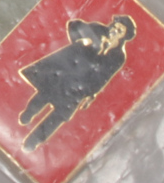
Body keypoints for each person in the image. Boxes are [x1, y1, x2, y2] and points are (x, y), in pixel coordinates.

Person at [17, 15, 136, 150]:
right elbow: (74, 25)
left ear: (124, 36)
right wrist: (82, 39)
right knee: (43, 96)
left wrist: (91, 95)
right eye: (115, 26)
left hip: (81, 87)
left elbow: (104, 77)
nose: (114, 30)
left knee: (59, 116)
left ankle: (32, 142)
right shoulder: (98, 29)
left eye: (120, 31)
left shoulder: (118, 56)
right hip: (65, 74)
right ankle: (28, 114)